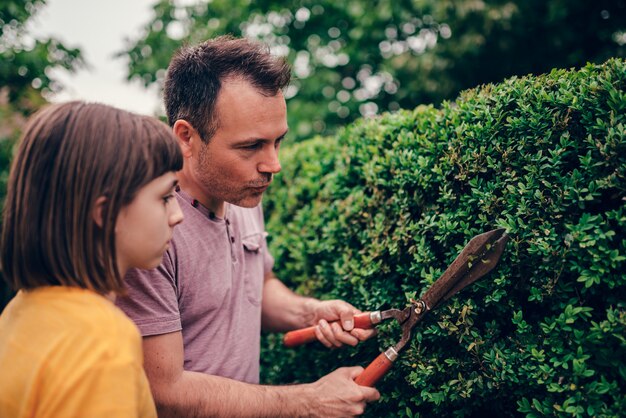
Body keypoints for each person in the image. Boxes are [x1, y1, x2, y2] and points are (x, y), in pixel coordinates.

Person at [116, 35, 380, 417]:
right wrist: (306, 401)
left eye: (278, 142)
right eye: (251, 146)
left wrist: (309, 313)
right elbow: (163, 391)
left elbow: (255, 287)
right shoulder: (150, 233)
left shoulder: (241, 194)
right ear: (187, 138)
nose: (273, 165)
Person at [0, 101, 184, 418]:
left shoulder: (20, 312)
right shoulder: (101, 344)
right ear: (105, 212)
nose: (177, 215)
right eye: (165, 197)